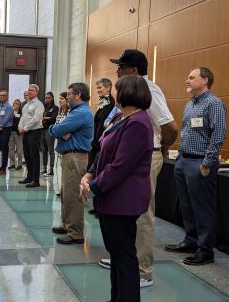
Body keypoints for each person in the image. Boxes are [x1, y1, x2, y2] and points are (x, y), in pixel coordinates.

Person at [98, 49, 178, 289]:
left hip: (145, 156)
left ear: (133, 70)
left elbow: (170, 126)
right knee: (124, 211)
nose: (117, 71)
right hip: (131, 154)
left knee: (142, 213)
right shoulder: (130, 92)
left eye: (121, 67)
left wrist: (162, 146)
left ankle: (143, 270)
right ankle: (124, 257)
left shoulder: (147, 89)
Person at [80, 75, 154, 302]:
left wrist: (92, 186)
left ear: (128, 93)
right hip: (112, 198)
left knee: (124, 257)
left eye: (118, 89)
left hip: (123, 199)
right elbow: (103, 151)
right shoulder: (123, 117)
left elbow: (121, 165)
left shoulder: (139, 123)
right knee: (117, 255)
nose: (115, 94)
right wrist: (89, 172)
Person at [164, 67, 227, 266]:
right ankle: (191, 241)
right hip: (183, 161)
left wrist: (207, 163)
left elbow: (218, 135)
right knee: (186, 206)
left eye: (191, 77)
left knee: (202, 209)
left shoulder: (214, 104)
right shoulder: (190, 104)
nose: (187, 80)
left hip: (200, 162)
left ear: (205, 80)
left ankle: (205, 250)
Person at [49, 83, 94, 244]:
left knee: (73, 195)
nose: (66, 97)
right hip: (70, 156)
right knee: (66, 193)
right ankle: (68, 225)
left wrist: (57, 130)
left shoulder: (80, 113)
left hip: (75, 157)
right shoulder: (76, 112)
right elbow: (59, 129)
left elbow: (55, 130)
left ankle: (75, 233)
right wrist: (59, 130)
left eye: (69, 94)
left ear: (78, 95)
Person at [18, 84, 45, 188]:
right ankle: (29, 177)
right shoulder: (26, 104)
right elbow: (23, 117)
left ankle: (36, 180)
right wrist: (20, 126)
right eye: (28, 90)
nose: (29, 92)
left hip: (34, 132)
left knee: (34, 157)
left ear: (36, 92)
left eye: (32, 90)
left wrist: (25, 128)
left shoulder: (39, 104)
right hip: (26, 132)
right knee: (27, 156)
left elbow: (36, 119)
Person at [88, 78, 115, 167]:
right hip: (95, 140)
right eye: (97, 88)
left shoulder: (111, 103)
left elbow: (104, 124)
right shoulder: (103, 102)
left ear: (108, 88)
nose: (97, 90)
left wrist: (95, 142)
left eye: (100, 88)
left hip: (101, 142)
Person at [41, 92, 59, 176]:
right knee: (43, 150)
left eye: (49, 97)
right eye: (46, 98)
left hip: (50, 129)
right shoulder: (43, 107)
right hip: (42, 129)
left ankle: (51, 169)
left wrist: (44, 118)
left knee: (50, 150)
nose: (47, 99)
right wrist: (45, 118)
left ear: (52, 98)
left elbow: (53, 119)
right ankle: (44, 168)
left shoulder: (55, 108)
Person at [8, 99, 24, 170]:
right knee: (11, 149)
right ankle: (12, 164)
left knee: (19, 149)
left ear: (20, 105)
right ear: (13, 104)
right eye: (15, 103)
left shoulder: (21, 112)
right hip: (11, 132)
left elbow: (23, 121)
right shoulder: (10, 112)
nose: (16, 105)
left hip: (18, 133)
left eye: (18, 104)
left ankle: (20, 164)